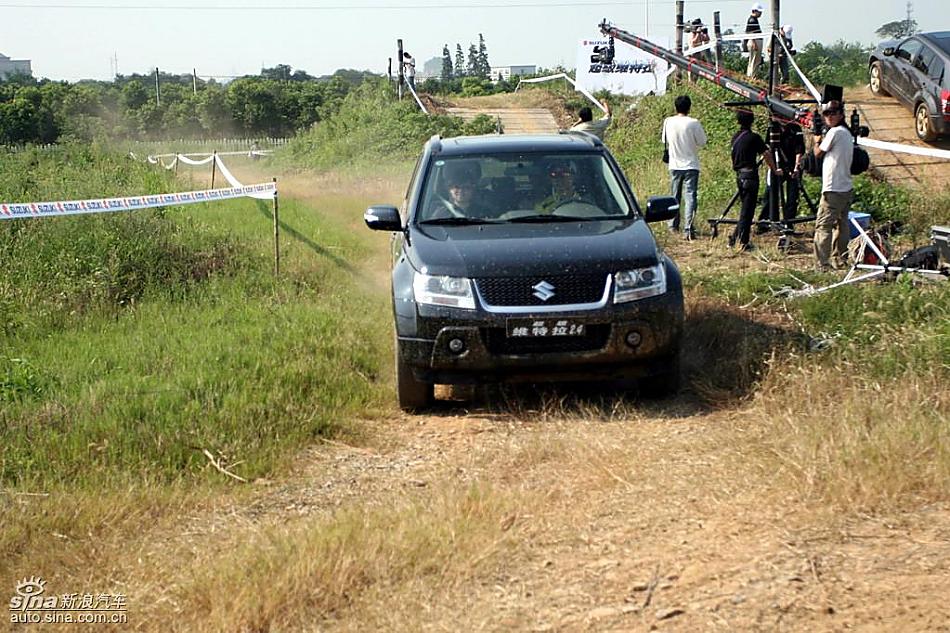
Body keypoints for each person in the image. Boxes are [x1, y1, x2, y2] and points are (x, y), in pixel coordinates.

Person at [729, 110, 780, 252]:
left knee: (745, 209)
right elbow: (767, 154)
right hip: (750, 176)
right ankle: (743, 242)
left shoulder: (736, 137)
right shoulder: (754, 137)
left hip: (739, 176)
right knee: (748, 211)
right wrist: (775, 169)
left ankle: (734, 238)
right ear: (752, 121)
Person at [812, 100, 854, 271]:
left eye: (832, 113)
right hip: (845, 187)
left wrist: (816, 139)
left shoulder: (835, 132)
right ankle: (840, 259)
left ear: (841, 115)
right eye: (826, 114)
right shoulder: (846, 132)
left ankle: (822, 264)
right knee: (841, 225)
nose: (829, 117)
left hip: (833, 188)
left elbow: (817, 153)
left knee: (823, 226)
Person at [661, 95, 707, 239]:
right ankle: (688, 228)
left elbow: (664, 140)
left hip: (674, 164)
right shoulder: (693, 123)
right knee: (690, 196)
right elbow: (702, 142)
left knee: (674, 196)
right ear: (689, 107)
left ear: (676, 107)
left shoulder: (668, 121)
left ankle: (672, 225)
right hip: (691, 164)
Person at [757, 121, 805, 230]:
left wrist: (796, 167)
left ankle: (789, 222)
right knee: (770, 192)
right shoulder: (772, 128)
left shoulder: (795, 129)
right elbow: (768, 148)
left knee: (793, 195)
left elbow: (799, 148)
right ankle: (765, 221)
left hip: (793, 165)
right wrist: (773, 167)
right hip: (777, 166)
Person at [745, 3, 764, 78]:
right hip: (755, 41)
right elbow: (750, 32)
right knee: (755, 60)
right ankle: (752, 76)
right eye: (759, 12)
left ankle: (750, 75)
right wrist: (754, 43)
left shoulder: (753, 19)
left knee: (753, 60)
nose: (760, 13)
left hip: (755, 41)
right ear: (755, 11)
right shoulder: (752, 20)